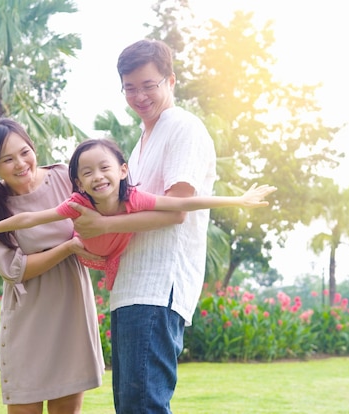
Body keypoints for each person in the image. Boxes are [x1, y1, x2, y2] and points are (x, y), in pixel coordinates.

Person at [69, 39, 220, 413]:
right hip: (131, 287)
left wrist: (102, 224)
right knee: (131, 405)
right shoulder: (139, 144)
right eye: (130, 87)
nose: (139, 96)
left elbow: (177, 209)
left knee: (143, 406)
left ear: (170, 80)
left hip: (158, 286)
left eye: (148, 85)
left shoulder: (183, 127)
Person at [0, 138, 275, 291]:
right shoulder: (77, 204)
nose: (97, 177)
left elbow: (184, 204)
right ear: (77, 182)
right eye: (87, 173)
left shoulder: (135, 198)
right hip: (87, 253)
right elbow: (29, 219)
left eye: (105, 168)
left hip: (117, 253)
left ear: (124, 170)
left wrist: (238, 199)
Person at [0, 118, 105, 414]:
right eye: (7, 159)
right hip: (28, 316)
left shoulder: (66, 179)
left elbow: (103, 215)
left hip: (72, 309)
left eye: (24, 151)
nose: (20, 164)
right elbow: (13, 270)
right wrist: (67, 247)